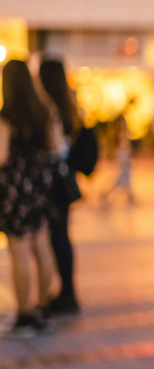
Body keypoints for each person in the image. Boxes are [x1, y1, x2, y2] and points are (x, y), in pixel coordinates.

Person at [0, 60, 62, 334]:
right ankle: (43, 304)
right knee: (42, 242)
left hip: (15, 187)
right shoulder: (44, 111)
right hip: (39, 185)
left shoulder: (7, 116)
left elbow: (1, 156)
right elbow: (56, 147)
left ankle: (25, 312)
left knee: (19, 247)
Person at [38, 59, 82, 315]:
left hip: (53, 181)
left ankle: (66, 293)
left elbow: (56, 150)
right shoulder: (68, 105)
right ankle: (66, 290)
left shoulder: (50, 109)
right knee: (61, 235)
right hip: (64, 180)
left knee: (57, 237)